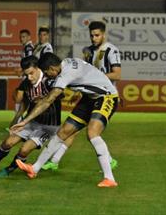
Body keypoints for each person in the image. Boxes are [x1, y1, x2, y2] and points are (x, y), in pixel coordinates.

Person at [12, 53, 119, 188]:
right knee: (63, 132)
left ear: (52, 68)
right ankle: (35, 168)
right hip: (89, 98)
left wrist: (25, 120)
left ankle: (109, 178)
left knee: (92, 132)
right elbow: (87, 76)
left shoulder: (65, 75)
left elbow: (48, 100)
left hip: (106, 96)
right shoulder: (67, 62)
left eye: (47, 72)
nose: (47, 75)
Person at [42, 20, 121, 171]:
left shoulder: (112, 50)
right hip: (90, 95)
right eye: (91, 35)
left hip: (104, 94)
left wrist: (99, 80)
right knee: (72, 129)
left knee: (82, 130)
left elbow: (117, 74)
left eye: (97, 35)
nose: (93, 38)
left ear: (104, 35)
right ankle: (55, 160)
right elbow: (83, 75)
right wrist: (78, 93)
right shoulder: (89, 51)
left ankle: (55, 160)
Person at [0, 55, 75, 177]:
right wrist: (15, 121)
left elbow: (59, 95)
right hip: (31, 122)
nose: (29, 77)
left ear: (38, 69)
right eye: (26, 75)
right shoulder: (26, 84)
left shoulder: (50, 81)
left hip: (49, 126)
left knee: (24, 150)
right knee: (7, 142)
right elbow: (24, 105)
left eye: (31, 73)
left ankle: (9, 170)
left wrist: (43, 99)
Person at [11, 29, 35, 126]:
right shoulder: (27, 47)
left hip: (27, 78)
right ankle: (19, 123)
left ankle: (18, 123)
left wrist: (21, 72)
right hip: (27, 76)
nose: (22, 39)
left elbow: (29, 62)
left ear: (29, 37)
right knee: (23, 101)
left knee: (19, 99)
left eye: (24, 36)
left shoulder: (28, 48)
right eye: (20, 37)